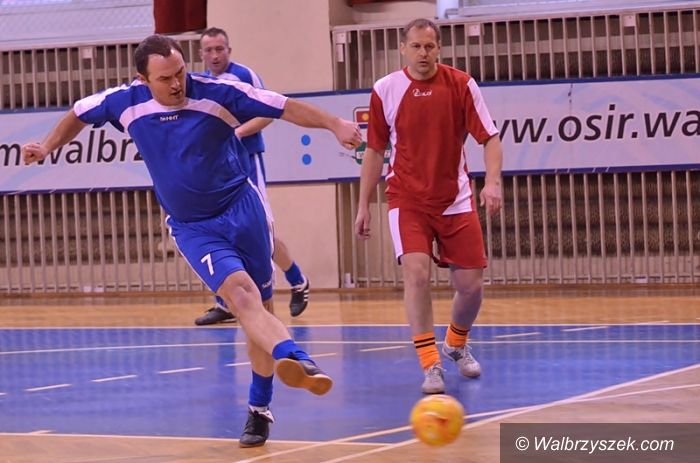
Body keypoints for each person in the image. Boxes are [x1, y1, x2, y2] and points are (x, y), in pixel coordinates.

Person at [22, 34, 362, 446]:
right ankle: (296, 358)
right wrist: (46, 146)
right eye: (165, 78)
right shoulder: (124, 102)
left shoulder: (217, 93)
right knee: (241, 297)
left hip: (242, 210)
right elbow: (77, 113)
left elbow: (283, 106)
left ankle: (260, 405)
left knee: (262, 307)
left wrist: (334, 124)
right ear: (143, 79)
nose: (177, 83)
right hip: (193, 226)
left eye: (180, 72)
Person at [354, 19, 503, 394]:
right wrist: (363, 205)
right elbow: (375, 150)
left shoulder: (461, 84)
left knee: (470, 287)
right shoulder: (385, 89)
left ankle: (455, 343)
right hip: (407, 199)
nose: (423, 53)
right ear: (403, 48)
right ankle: (430, 364)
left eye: (430, 46)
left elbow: (490, 137)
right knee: (416, 275)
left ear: (439, 49)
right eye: (416, 46)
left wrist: (493, 182)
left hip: (456, 199)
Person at [194, 27, 310, 326]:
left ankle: (297, 280)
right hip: (218, 168)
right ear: (201, 54)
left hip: (246, 159)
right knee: (223, 230)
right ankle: (225, 302)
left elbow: (268, 111)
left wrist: (238, 133)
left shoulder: (244, 75)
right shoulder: (200, 83)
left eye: (220, 49)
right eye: (209, 50)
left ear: (229, 50)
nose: (215, 55)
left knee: (261, 229)